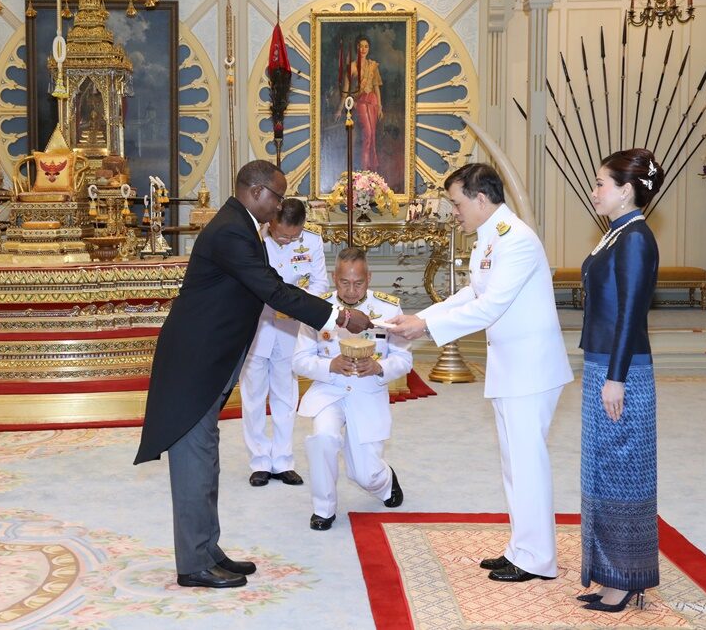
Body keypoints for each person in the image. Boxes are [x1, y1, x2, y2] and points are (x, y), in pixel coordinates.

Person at [134, 160, 372, 589]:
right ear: (258, 191)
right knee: (193, 461)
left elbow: (268, 288)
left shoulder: (241, 226)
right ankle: (193, 564)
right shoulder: (231, 230)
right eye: (277, 197)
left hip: (208, 360)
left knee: (206, 457)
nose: (280, 206)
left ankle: (207, 550)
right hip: (194, 364)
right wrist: (339, 316)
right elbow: (272, 289)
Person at [385, 163, 572, 583]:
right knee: (514, 463)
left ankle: (537, 559)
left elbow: (490, 307)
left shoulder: (516, 240)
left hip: (530, 370)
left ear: (481, 199)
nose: (454, 212)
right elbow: (472, 292)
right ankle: (521, 549)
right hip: (511, 368)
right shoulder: (492, 236)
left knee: (527, 464)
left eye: (457, 203)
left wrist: (425, 328)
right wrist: (423, 316)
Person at [576, 149, 661, 612]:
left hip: (620, 371)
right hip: (603, 365)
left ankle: (625, 579)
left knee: (622, 474)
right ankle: (608, 573)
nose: (594, 191)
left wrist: (616, 377)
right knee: (601, 471)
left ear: (626, 190)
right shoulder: (616, 233)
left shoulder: (636, 238)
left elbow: (631, 312)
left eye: (600, 183)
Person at [293, 248, 410, 531]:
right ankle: (324, 509)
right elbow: (299, 361)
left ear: (369, 278)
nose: (351, 290)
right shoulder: (318, 309)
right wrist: (329, 365)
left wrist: (380, 367)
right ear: (335, 278)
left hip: (368, 393)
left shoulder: (388, 310)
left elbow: (404, 359)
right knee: (322, 438)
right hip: (329, 390)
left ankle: (386, 481)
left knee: (365, 475)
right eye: (344, 282)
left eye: (358, 283)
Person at [240, 198, 328, 488]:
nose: (287, 240)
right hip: (257, 326)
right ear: (272, 222)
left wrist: (296, 306)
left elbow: (320, 284)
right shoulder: (253, 240)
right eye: (282, 235)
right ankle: (259, 462)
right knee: (253, 397)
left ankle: (283, 460)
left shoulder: (312, 242)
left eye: (293, 237)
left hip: (291, 329)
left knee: (286, 396)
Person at [343, 35, 383, 172]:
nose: (363, 49)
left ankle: (371, 169)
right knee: (368, 134)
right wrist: (345, 104)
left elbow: (376, 87)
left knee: (372, 136)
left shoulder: (373, 66)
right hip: (360, 102)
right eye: (361, 46)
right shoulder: (352, 67)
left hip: (373, 101)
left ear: (369, 48)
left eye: (366, 46)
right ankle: (365, 169)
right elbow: (347, 89)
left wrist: (380, 107)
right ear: (357, 47)